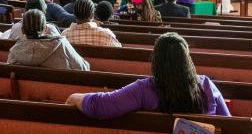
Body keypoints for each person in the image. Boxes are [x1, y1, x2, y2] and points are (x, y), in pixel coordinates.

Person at [66, 32, 229, 119]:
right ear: (187, 60)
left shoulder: (145, 88)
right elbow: (230, 125)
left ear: (155, 60)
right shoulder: (206, 85)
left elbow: (102, 106)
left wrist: (75, 97)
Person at [7, 9, 90, 70]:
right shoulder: (61, 44)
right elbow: (84, 68)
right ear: (46, 29)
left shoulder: (14, 51)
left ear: (22, 30)